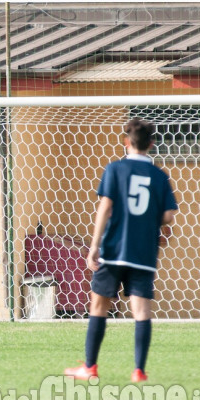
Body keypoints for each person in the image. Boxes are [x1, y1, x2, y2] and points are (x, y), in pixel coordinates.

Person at [64, 118, 178, 382]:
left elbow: (105, 207)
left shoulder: (115, 169)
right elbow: (170, 215)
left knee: (98, 305)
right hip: (143, 253)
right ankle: (139, 371)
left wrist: (94, 246)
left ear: (126, 142)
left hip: (114, 250)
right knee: (141, 311)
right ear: (151, 144)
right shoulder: (160, 176)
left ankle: (90, 367)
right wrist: (149, 218)